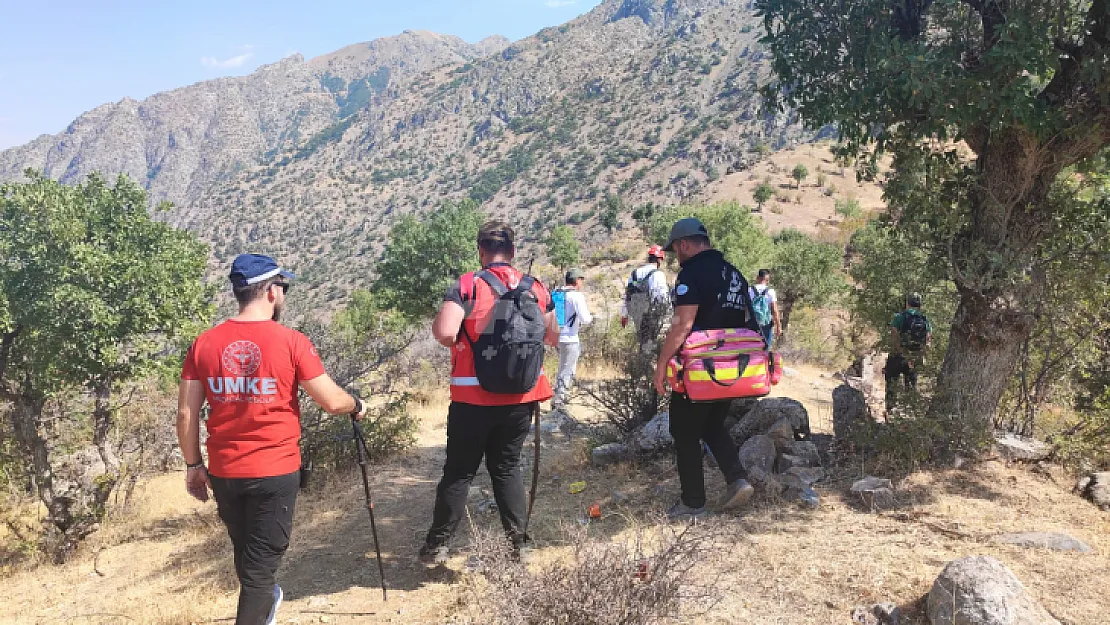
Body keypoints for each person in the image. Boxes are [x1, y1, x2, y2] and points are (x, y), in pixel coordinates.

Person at [177, 253, 365, 625]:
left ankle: (263, 605)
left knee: (249, 555)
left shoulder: (204, 344)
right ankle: (260, 610)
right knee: (261, 566)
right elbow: (330, 401)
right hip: (274, 471)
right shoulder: (292, 341)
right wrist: (357, 404)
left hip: (226, 470)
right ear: (269, 291)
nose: (284, 294)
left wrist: (193, 466)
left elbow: (186, 413)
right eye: (283, 287)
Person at [420, 221, 560, 564]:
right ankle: (520, 545)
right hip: (521, 398)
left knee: (459, 471)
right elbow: (552, 337)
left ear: (481, 250)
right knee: (508, 468)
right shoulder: (536, 287)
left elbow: (445, 334)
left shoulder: (469, 285)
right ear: (512, 251)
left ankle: (437, 547)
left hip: (473, 398)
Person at [652, 218, 760, 521]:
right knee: (712, 425)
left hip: (700, 370)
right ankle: (737, 479)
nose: (676, 256)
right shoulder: (734, 273)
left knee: (683, 431)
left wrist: (661, 366)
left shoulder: (692, 273)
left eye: (675, 250)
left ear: (684, 244)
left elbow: (683, 325)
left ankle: (692, 503)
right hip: (732, 368)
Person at [553, 267, 593, 409]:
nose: (582, 283)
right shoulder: (576, 296)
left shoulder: (557, 293)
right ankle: (559, 402)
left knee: (563, 368)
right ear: (577, 280)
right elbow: (585, 319)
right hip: (570, 338)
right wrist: (592, 317)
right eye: (581, 279)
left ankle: (559, 396)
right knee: (567, 371)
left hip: (556, 337)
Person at [885, 292, 933, 410]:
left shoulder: (899, 317)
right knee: (911, 387)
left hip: (897, 357)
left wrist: (902, 353)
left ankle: (890, 412)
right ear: (920, 305)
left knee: (892, 385)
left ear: (907, 303)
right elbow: (928, 342)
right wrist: (918, 357)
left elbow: (894, 338)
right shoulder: (925, 321)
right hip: (915, 358)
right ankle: (910, 414)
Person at [622, 245, 670, 352]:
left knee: (643, 339)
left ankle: (641, 361)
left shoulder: (634, 273)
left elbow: (627, 294)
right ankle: (645, 364)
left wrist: (624, 315)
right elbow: (662, 297)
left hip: (636, 312)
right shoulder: (657, 274)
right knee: (650, 341)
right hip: (651, 314)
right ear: (659, 260)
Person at [750, 269, 783, 349]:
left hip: (752, 324)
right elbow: (775, 310)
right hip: (766, 325)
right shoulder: (770, 291)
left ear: (758, 278)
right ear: (767, 279)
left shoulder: (749, 290)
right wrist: (778, 326)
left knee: (751, 348)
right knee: (765, 349)